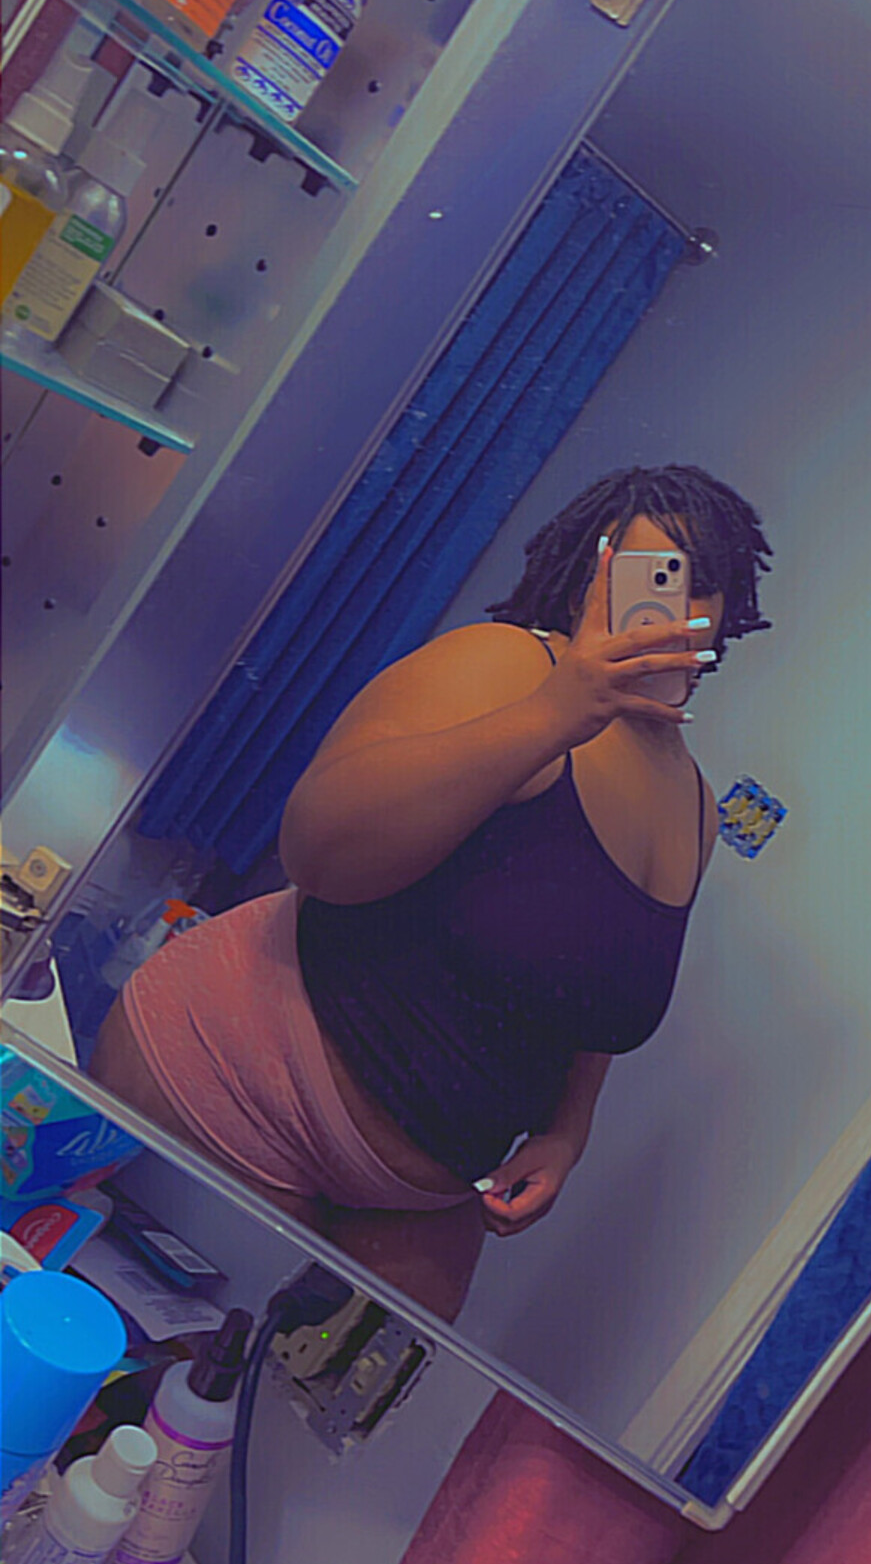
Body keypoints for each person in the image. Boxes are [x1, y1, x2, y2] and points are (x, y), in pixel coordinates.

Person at [92, 465, 772, 1320]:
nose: (669, 608)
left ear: (726, 609)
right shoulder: (506, 665)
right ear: (587, 575)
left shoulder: (697, 809)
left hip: (420, 1192)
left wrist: (568, 1131)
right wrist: (555, 714)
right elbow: (319, 849)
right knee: (139, 1355)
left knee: (297, 1397)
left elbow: (590, 983)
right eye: (648, 576)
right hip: (235, 1077)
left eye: (698, 581)